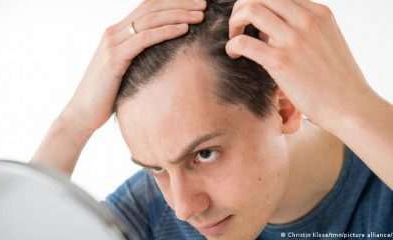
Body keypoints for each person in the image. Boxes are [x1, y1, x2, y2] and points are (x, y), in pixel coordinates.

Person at [32, 0, 393, 239]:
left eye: (203, 154)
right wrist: (72, 123)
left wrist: (353, 107)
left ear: (284, 108)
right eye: (156, 168)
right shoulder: (148, 214)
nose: (184, 208)